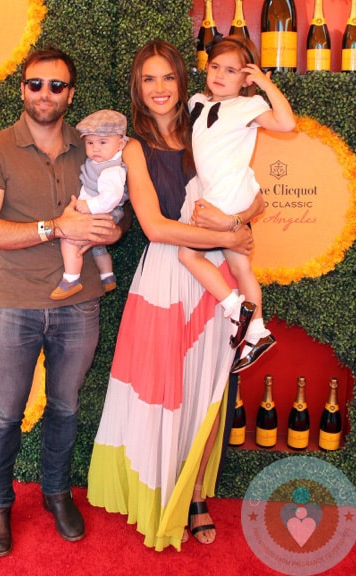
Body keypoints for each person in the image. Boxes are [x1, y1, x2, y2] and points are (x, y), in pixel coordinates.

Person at [87, 39, 264, 551]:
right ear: (138, 89)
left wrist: (240, 221)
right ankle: (164, 490)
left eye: (167, 78)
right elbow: (156, 227)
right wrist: (229, 237)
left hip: (216, 276)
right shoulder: (134, 147)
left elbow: (257, 197)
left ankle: (197, 495)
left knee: (209, 387)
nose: (160, 89)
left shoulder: (212, 128)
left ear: (183, 83)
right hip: (167, 276)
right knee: (167, 389)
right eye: (149, 79)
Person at [0, 46, 127, 558]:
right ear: (22, 89)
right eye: (36, 84)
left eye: (57, 86)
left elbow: (116, 216)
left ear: (70, 94)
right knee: (6, 411)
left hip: (78, 305)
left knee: (65, 407)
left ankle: (57, 493)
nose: (45, 94)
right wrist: (57, 226)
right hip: (14, 304)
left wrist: (108, 228)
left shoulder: (92, 148)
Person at [179, 35, 296, 373]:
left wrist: (263, 84)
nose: (219, 74)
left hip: (226, 195)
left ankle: (235, 308)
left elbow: (287, 123)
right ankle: (257, 333)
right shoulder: (196, 101)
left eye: (231, 71)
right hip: (230, 193)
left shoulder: (250, 105)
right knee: (241, 267)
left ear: (245, 78)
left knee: (188, 254)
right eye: (215, 66)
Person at [50, 109, 128, 300]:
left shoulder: (111, 170)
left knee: (69, 238)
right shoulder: (99, 162)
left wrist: (89, 207)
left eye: (103, 142)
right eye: (90, 143)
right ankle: (107, 276)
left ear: (121, 144)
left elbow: (112, 197)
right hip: (99, 210)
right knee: (98, 247)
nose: (95, 149)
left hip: (101, 211)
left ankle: (71, 279)